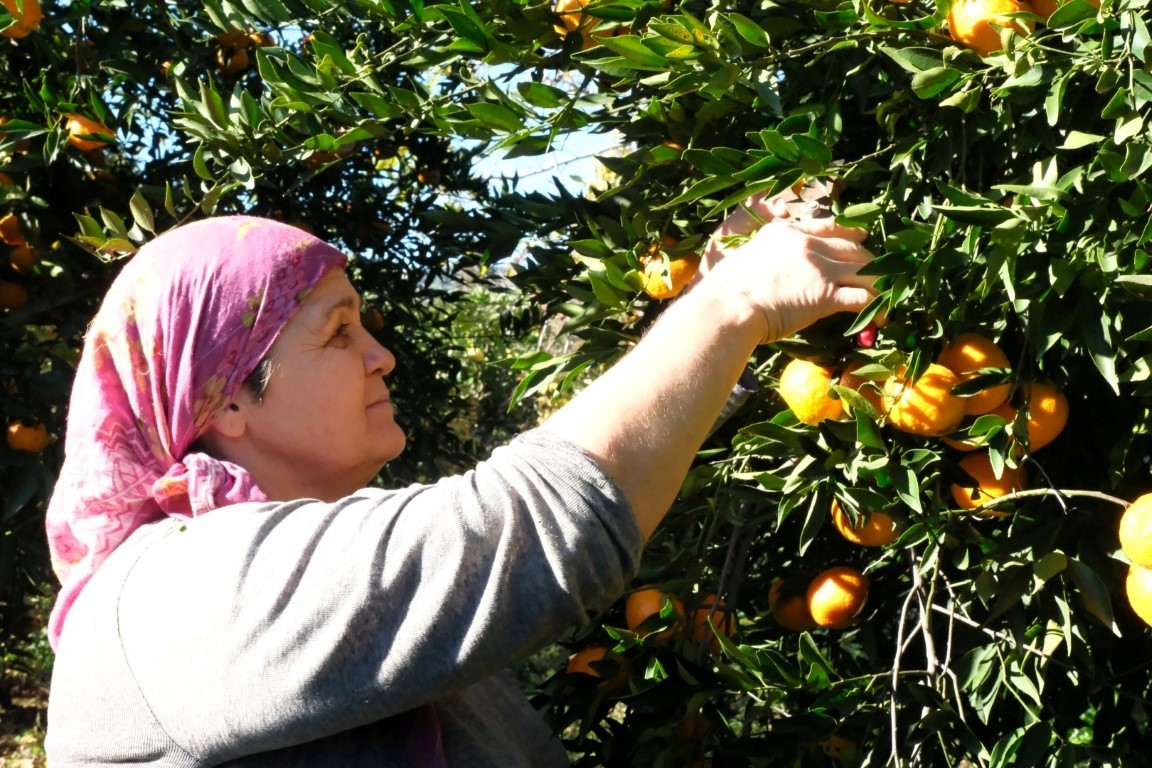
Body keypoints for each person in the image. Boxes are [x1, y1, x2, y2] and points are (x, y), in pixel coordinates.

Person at [43, 198, 875, 766]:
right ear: (222, 397)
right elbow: (538, 521)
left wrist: (713, 318)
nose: (381, 357)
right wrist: (729, 308)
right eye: (339, 336)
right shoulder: (174, 594)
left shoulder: (309, 559)